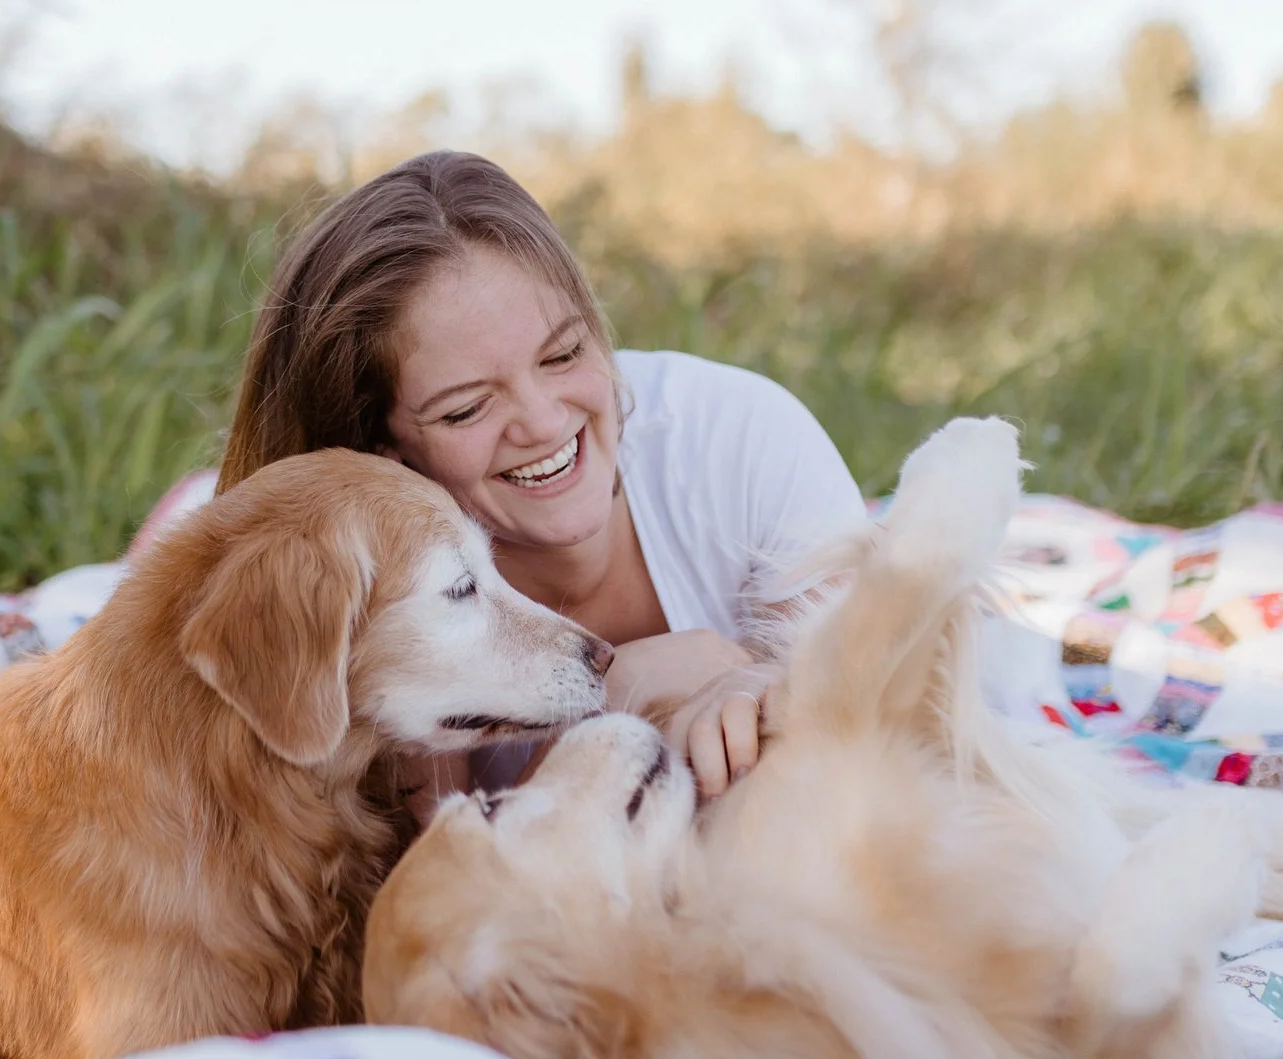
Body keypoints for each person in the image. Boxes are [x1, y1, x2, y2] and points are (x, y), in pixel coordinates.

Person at [219, 150, 866, 801]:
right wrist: (601, 712)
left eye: (563, 352)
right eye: (468, 406)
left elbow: (881, 742)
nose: (543, 420)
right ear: (384, 456)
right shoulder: (368, 604)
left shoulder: (739, 439)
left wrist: (773, 691)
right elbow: (436, 893)